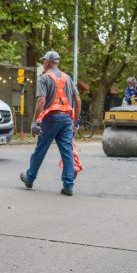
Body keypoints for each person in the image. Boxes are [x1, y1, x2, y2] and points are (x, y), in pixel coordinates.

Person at [20, 51, 80, 196]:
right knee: (67, 152)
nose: (43, 64)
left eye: (43, 61)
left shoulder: (44, 78)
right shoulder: (68, 78)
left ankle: (30, 178)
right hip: (66, 120)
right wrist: (75, 122)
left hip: (50, 119)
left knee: (40, 150)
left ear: (47, 62)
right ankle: (68, 186)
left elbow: (41, 100)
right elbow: (78, 100)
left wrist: (34, 122)